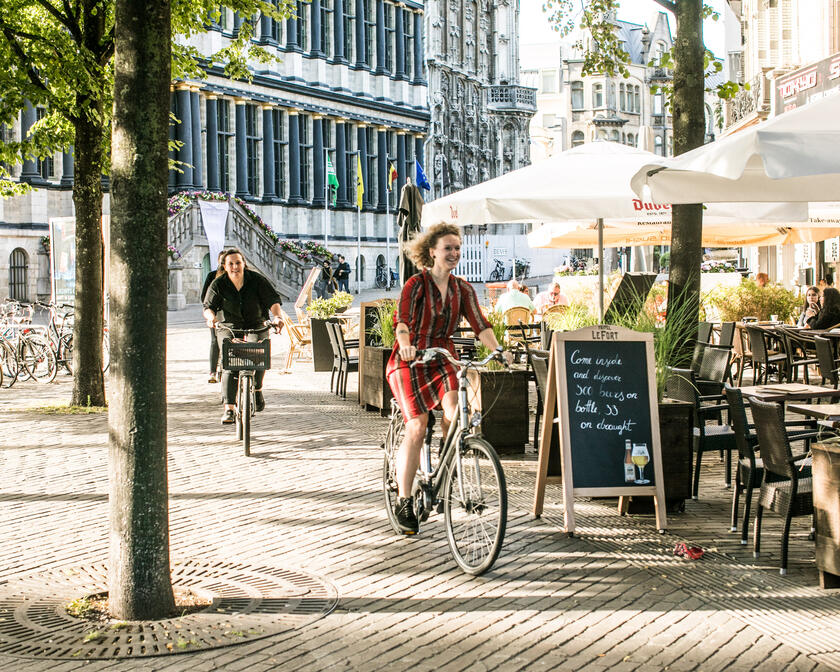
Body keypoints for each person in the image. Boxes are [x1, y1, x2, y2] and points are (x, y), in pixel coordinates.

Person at [386, 223, 512, 535]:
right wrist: (405, 344)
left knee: (456, 411)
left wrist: (498, 351)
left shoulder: (462, 289)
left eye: (457, 248)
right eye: (448, 248)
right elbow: (402, 321)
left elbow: (481, 325)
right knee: (416, 426)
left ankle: (447, 460)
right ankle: (404, 500)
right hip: (410, 360)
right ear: (432, 252)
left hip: (442, 357)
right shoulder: (415, 285)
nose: (454, 253)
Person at [203, 249, 283, 424]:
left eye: (238, 263)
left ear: (244, 264)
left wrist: (277, 317)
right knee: (229, 364)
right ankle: (229, 409)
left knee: (259, 354)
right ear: (224, 266)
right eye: (230, 263)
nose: (234, 267)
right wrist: (212, 319)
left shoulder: (257, 280)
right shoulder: (218, 284)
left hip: (256, 323)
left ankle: (257, 388)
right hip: (229, 326)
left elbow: (273, 300)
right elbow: (208, 306)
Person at [201, 251, 226, 384]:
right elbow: (204, 296)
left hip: (230, 315)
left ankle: (228, 368)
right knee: (215, 341)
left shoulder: (233, 276)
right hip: (215, 314)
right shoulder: (212, 276)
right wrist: (211, 311)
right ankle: (213, 371)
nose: (223, 264)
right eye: (222, 261)